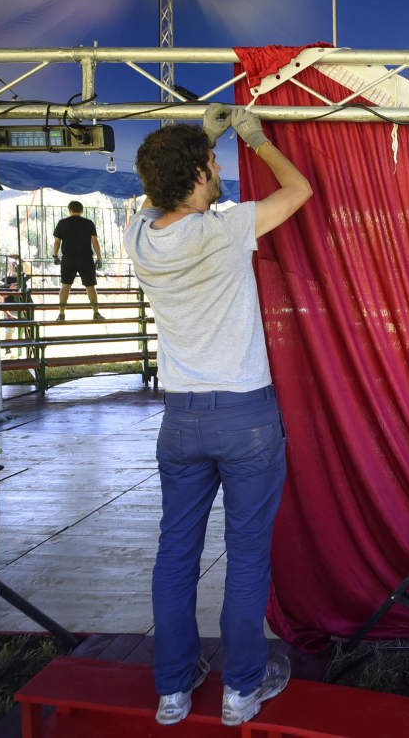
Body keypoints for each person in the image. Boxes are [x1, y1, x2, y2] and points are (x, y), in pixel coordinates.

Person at [124, 103, 311, 727]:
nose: (218, 171)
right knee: (248, 554)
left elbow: (154, 198)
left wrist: (200, 138)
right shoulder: (223, 228)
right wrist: (253, 137)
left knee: (175, 554)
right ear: (202, 175)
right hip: (245, 417)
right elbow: (299, 190)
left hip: (181, 419)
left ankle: (173, 692)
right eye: (212, 165)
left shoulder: (140, 236)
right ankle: (241, 692)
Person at [52, 200, 104, 321]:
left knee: (65, 286)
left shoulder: (62, 223)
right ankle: (96, 313)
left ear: (69, 210)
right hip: (86, 258)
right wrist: (99, 257)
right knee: (90, 287)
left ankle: (61, 314)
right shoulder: (89, 223)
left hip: (68, 258)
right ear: (82, 210)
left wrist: (55, 256)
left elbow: (57, 242)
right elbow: (95, 241)